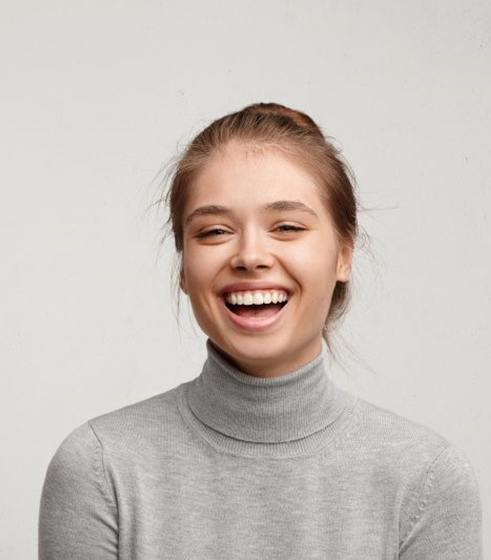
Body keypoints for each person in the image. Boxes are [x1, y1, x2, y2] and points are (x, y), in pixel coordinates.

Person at [38, 102, 483, 559]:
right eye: (214, 232)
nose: (250, 255)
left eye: (287, 227)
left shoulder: (425, 481)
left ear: (344, 254)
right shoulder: (100, 467)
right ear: (184, 269)